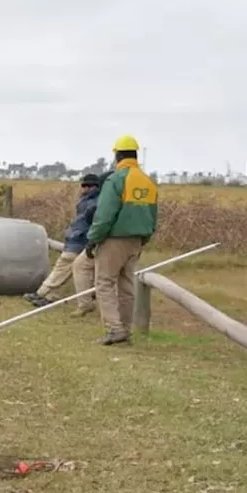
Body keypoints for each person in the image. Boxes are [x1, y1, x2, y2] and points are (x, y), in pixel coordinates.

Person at [85, 135, 159, 346]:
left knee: (104, 283)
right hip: (137, 241)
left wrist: (92, 239)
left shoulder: (116, 180)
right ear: (135, 155)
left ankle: (114, 329)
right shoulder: (147, 181)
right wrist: (144, 238)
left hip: (114, 240)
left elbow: (104, 215)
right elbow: (153, 214)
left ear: (117, 155)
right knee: (127, 285)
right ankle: (125, 329)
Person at [23, 173, 105, 313]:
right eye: (83, 185)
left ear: (95, 187)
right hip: (77, 238)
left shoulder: (94, 203)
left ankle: (43, 293)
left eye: (88, 186)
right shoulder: (88, 200)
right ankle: (50, 296)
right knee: (68, 269)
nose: (85, 188)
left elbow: (90, 224)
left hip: (80, 240)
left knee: (63, 266)